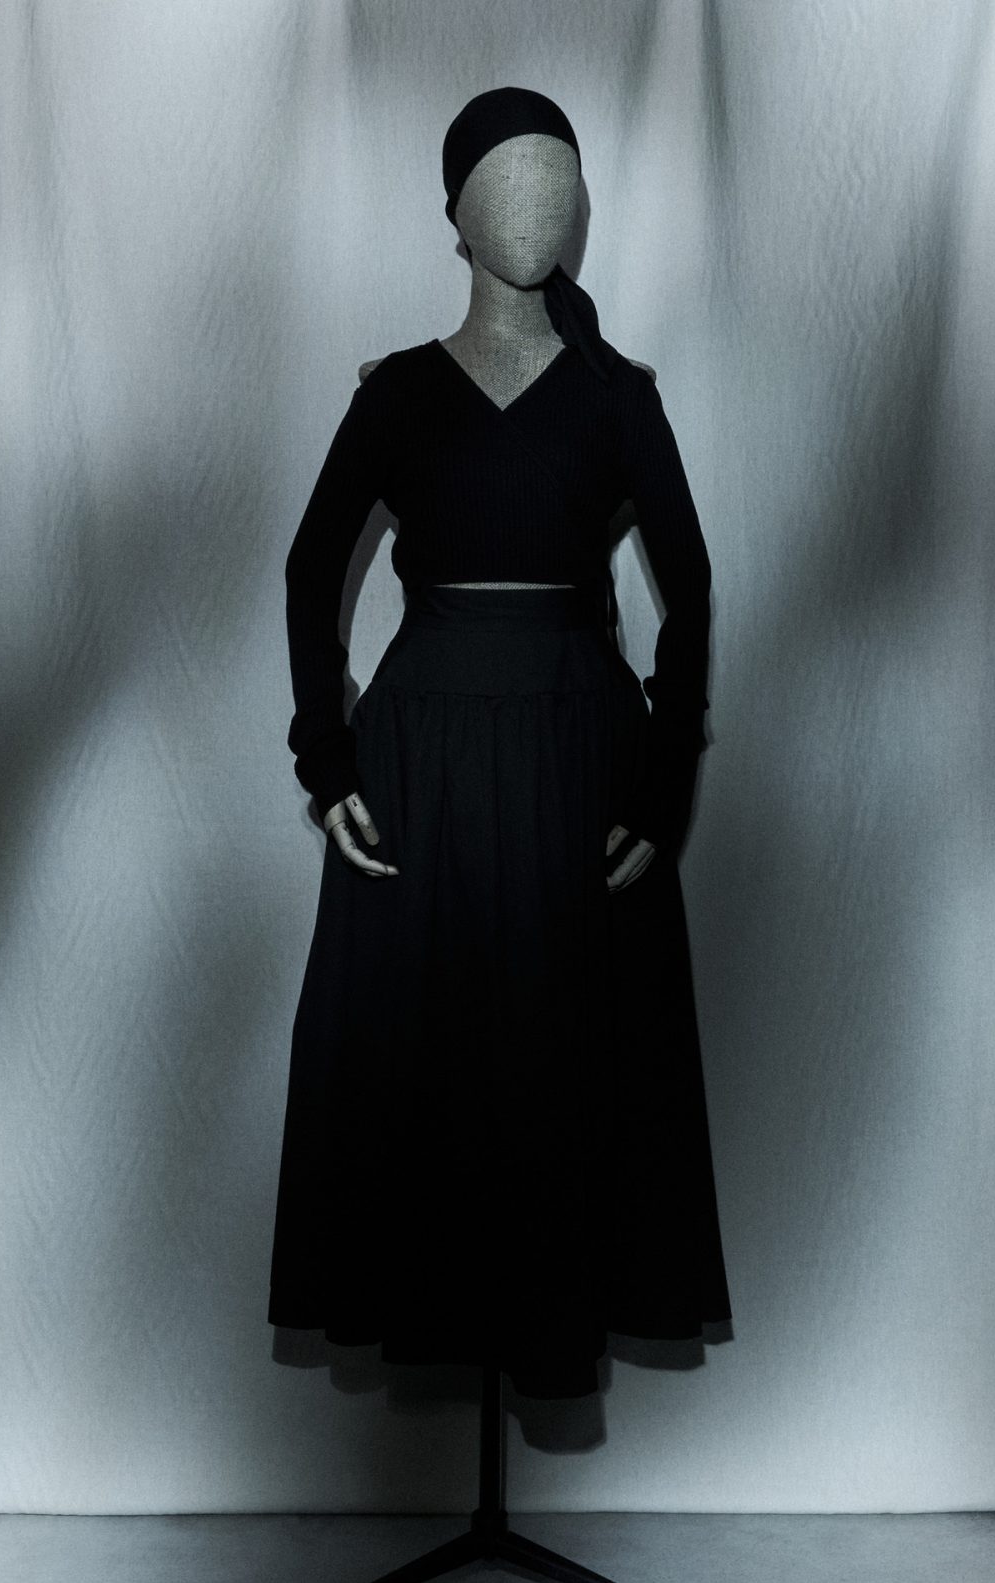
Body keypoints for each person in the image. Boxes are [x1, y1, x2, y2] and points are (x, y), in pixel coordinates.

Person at [268, 85, 732, 1402]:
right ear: (455, 216)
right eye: (504, 182)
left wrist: (663, 781)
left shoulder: (617, 396)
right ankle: (440, 1314)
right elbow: (310, 571)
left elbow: (691, 589)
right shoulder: (400, 393)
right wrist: (328, 758)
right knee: (423, 1059)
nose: (534, 207)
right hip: (421, 761)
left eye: (557, 184)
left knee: (566, 1060)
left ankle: (550, 1321)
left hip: (580, 756)